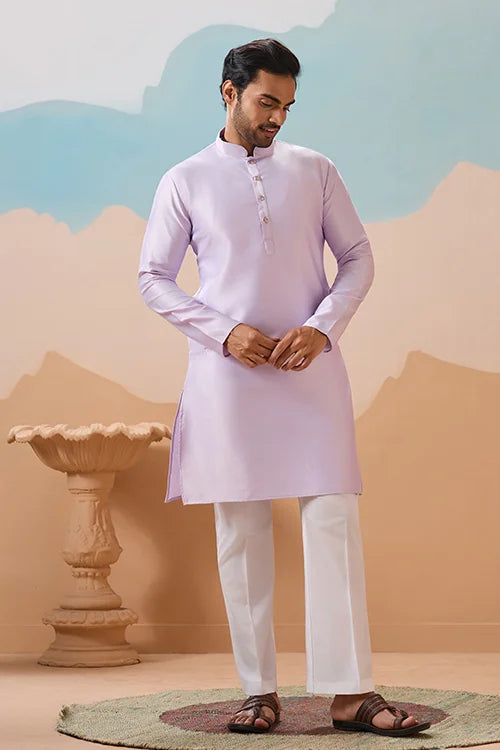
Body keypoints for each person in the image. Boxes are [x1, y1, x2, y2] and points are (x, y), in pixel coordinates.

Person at [137, 38, 431, 738]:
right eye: (267, 102)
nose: (277, 117)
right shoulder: (185, 180)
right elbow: (153, 277)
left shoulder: (315, 170)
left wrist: (323, 328)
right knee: (241, 530)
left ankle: (350, 693)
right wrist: (222, 332)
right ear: (229, 93)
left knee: (332, 519)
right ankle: (257, 692)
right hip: (229, 378)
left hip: (310, 373)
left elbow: (357, 256)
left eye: (287, 106)